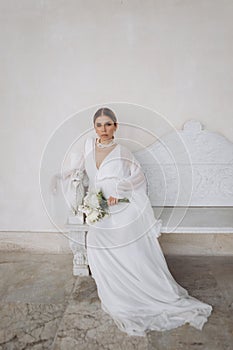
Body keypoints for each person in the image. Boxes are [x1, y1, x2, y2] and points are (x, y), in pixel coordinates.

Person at [65, 107, 213, 337]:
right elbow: (78, 171)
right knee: (95, 239)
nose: (103, 129)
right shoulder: (87, 147)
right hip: (98, 206)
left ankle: (141, 289)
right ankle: (116, 288)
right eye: (99, 125)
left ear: (115, 126)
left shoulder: (123, 151)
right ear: (94, 128)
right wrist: (70, 177)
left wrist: (121, 190)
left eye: (108, 124)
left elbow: (138, 177)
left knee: (124, 236)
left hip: (121, 204)